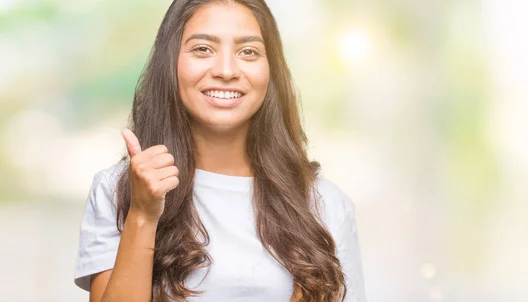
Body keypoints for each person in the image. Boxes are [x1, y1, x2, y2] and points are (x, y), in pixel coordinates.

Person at [74, 0, 366, 301]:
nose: (226, 71)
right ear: (171, 61)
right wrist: (143, 215)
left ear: (272, 70)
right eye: (202, 49)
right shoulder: (117, 190)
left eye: (248, 52)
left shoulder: (325, 204)